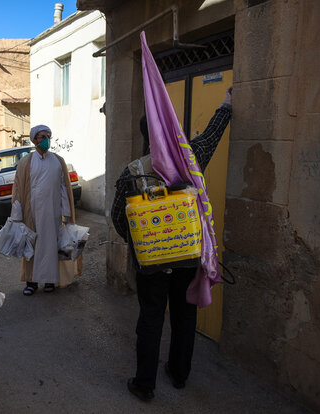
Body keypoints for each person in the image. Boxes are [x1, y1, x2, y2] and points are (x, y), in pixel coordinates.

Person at [111, 87, 233, 401]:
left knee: (150, 319)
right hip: (188, 259)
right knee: (184, 316)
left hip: (152, 265)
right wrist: (226, 104)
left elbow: (117, 217)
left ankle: (144, 385)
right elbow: (212, 136)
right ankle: (179, 374)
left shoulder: (132, 172)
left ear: (144, 136)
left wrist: (144, 245)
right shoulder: (189, 160)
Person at [11, 124, 76, 295]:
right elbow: (18, 189)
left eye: (48, 136)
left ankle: (50, 281)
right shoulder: (25, 162)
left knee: (52, 246)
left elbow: (64, 187)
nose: (46, 139)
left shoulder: (58, 160)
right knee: (31, 246)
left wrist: (66, 214)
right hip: (32, 212)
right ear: (34, 140)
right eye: (42, 136)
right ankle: (31, 282)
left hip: (53, 213)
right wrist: (17, 215)